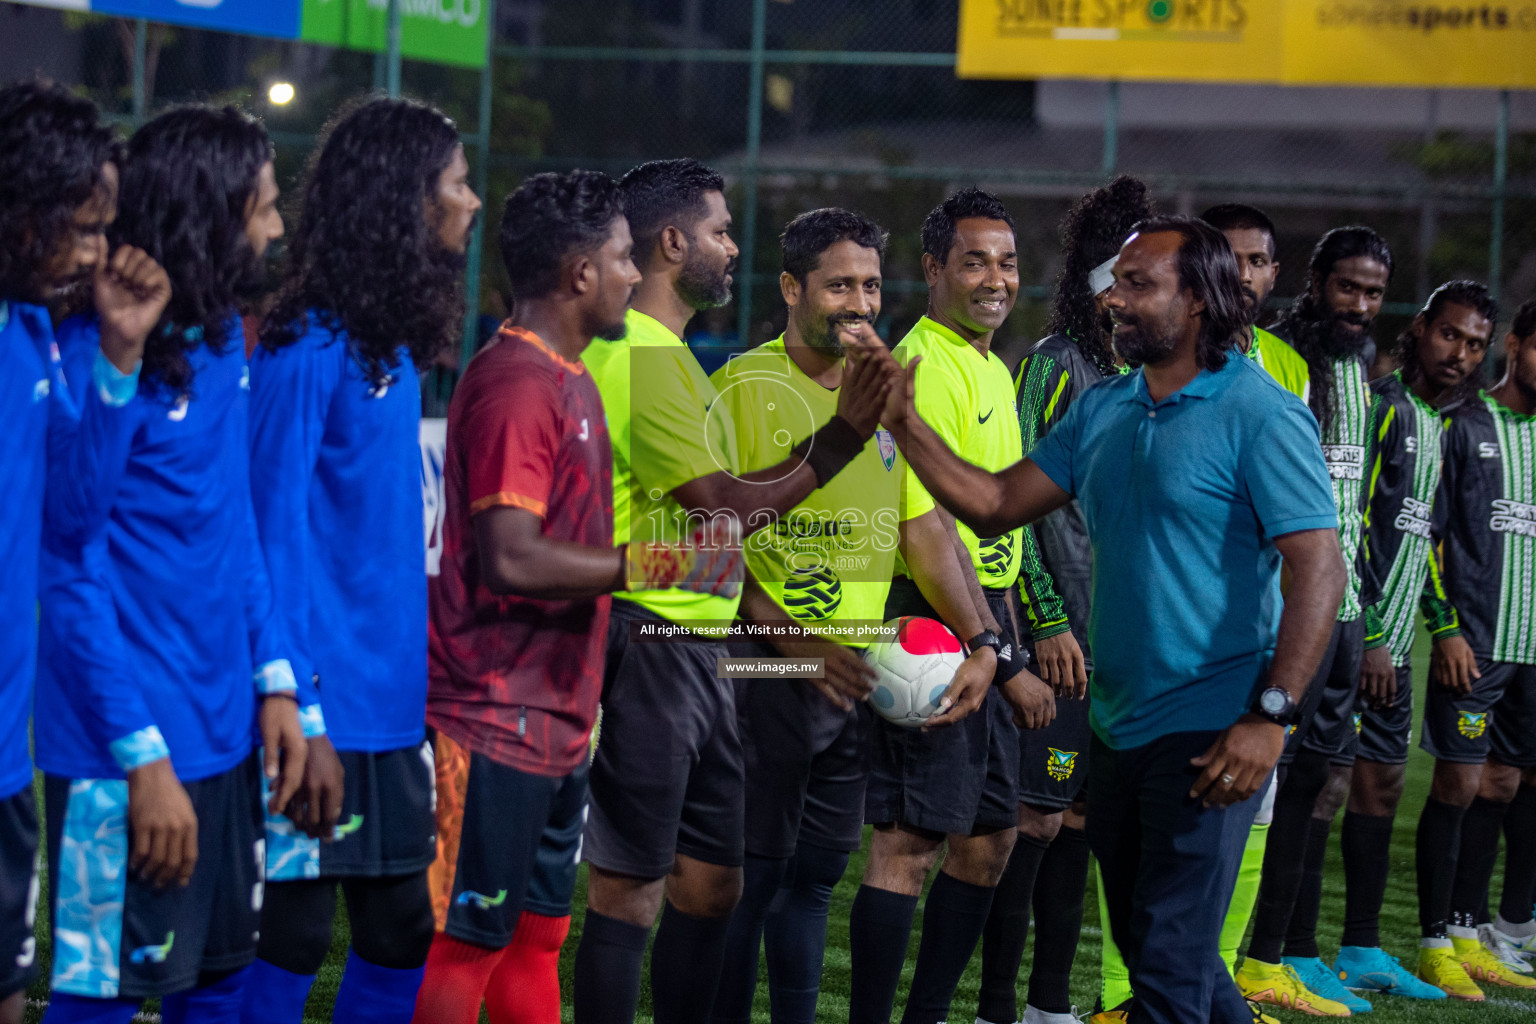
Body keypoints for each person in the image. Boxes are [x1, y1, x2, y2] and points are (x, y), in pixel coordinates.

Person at [880, 215, 1344, 1024]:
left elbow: (1320, 570)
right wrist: (903, 424)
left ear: (1197, 300)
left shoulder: (1260, 413)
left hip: (1214, 726)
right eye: (1114, 282)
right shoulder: (1107, 409)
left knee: (1165, 968)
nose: (1113, 299)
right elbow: (993, 504)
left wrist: (1273, 714)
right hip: (1118, 724)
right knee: (1164, 952)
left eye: (1138, 284)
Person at [415, 168, 744, 1024]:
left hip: (558, 713)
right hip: (493, 711)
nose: (637, 276)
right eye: (622, 258)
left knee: (536, 941)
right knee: (467, 944)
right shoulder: (518, 384)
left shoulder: (573, 379)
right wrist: (656, 566)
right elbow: (512, 558)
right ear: (578, 274)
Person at [571, 160, 890, 1024]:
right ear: (672, 242)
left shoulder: (668, 357)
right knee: (629, 890)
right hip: (651, 643)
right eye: (718, 231)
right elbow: (717, 511)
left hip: (700, 648)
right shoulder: (638, 355)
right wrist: (840, 441)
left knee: (714, 883)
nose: (731, 247)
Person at [35, 103, 308, 1024]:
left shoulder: (224, 336)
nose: (276, 227)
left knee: (221, 993)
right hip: (123, 754)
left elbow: (233, 529)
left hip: (226, 738)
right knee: (101, 1004)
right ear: (211, 213)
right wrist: (141, 757)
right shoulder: (91, 351)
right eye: (262, 207)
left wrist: (273, 679)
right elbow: (67, 565)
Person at [708, 207, 1008, 1024]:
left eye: (871, 285)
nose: (859, 303)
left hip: (853, 678)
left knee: (814, 881)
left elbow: (924, 533)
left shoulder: (884, 398)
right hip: (763, 669)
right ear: (790, 288)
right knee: (747, 877)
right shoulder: (740, 389)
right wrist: (791, 640)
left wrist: (984, 639)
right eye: (839, 284)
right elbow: (710, 543)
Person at [238, 96, 482, 1024]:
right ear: (404, 201)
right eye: (455, 184)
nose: (469, 202)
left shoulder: (387, 344)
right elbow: (269, 532)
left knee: (396, 934)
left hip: (388, 708)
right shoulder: (310, 341)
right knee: (292, 933)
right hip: (317, 708)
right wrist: (300, 701)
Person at [849, 187, 1056, 1024]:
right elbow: (921, 529)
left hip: (987, 614)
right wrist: (997, 655)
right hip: (935, 619)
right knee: (909, 843)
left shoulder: (992, 367)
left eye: (1006, 262)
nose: (995, 279)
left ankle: (926, 1015)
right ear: (933, 269)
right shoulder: (924, 366)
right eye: (974, 261)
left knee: (989, 840)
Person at [1275, 281, 1493, 1009]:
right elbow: (1350, 525)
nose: (1459, 354)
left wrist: (1421, 625)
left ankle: (1362, 946)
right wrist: (1367, 632)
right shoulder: (1385, 405)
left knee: (1377, 785)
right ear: (1420, 329)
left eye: (1474, 345)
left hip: (1396, 640)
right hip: (1360, 634)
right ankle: (1292, 949)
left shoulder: (1444, 421)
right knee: (1321, 785)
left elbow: (1422, 540)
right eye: (1449, 336)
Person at [0, 79, 168, 1024]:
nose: (97, 251)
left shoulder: (33, 332)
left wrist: (117, 356)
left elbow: (72, 516)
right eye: (83, 225)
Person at [991, 176, 1152, 1024]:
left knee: (1083, 823)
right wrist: (1047, 620)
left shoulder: (1144, 381)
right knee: (1032, 825)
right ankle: (996, 1005)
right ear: (1094, 279)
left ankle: (1052, 1004)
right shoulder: (1056, 367)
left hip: (1120, 642)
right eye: (1121, 275)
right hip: (1063, 643)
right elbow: (1014, 510)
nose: (1130, 294)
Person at [1237, 226, 1389, 1016]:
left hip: (1347, 610)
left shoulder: (1368, 374)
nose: (1358, 306)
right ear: (1318, 283)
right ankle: (1255, 952)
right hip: (1286, 608)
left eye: (1372, 293)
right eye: (1347, 288)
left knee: (1318, 786)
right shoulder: (1279, 359)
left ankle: (1286, 952)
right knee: (1271, 783)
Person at [1413, 296, 1536, 1000]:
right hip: (1478, 642)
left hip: (1534, 644)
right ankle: (1440, 936)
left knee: (1513, 782)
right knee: (1463, 782)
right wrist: (1448, 625)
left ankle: (1487, 932)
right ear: (1514, 346)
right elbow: (1425, 533)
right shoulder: (1461, 424)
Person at [1199, 203, 1310, 403]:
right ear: (1199, 266)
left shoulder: (1291, 365)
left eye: (1257, 261)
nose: (1244, 276)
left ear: (1273, 274)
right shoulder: (1168, 355)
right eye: (1230, 260)